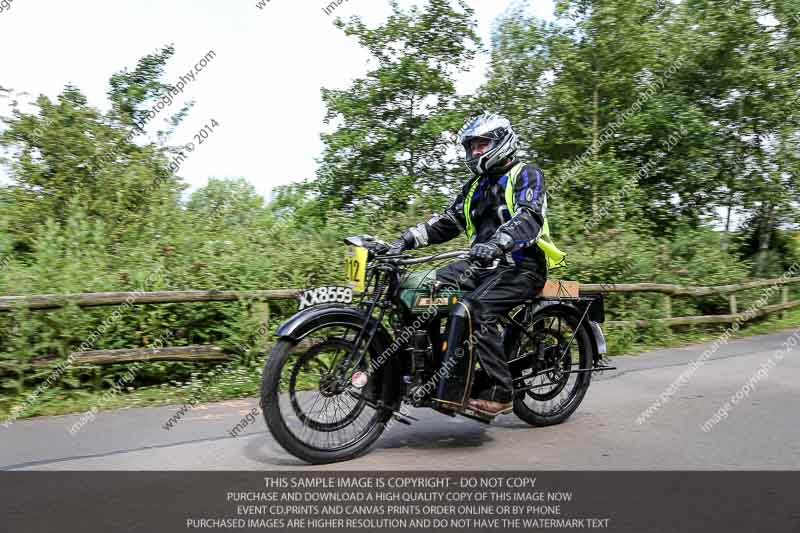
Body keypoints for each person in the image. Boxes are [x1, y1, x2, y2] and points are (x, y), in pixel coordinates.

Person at [388, 112, 564, 416]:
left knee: (475, 310)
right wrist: (405, 240)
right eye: (471, 146)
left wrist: (499, 243)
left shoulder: (526, 174)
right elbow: (447, 222)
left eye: (482, 144)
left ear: (501, 141)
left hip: (521, 267)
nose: (475, 152)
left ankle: (500, 391)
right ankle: (431, 371)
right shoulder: (475, 186)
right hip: (480, 266)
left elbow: (529, 217)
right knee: (417, 289)